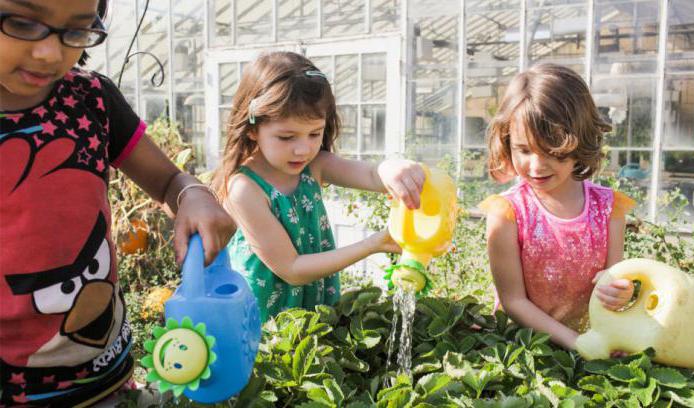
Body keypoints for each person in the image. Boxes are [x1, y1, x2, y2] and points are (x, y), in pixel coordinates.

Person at [0, 0, 234, 405]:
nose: (49, 53)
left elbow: (167, 180)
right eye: (22, 23)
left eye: (76, 31)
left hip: (106, 376)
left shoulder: (91, 99)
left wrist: (193, 194)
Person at [211, 51, 425, 322]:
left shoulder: (315, 165)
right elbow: (291, 268)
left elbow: (371, 175)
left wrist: (391, 169)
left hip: (314, 304)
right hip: (266, 321)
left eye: (314, 133)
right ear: (252, 129)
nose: (303, 149)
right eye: (286, 137)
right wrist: (373, 244)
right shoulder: (244, 189)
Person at [479, 63, 636, 352]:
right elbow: (514, 301)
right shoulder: (508, 213)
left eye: (552, 151)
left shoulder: (608, 208)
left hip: (589, 344)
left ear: (581, 141)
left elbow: (613, 280)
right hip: (521, 348)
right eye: (524, 150)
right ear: (507, 141)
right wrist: (577, 344)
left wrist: (619, 292)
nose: (536, 166)